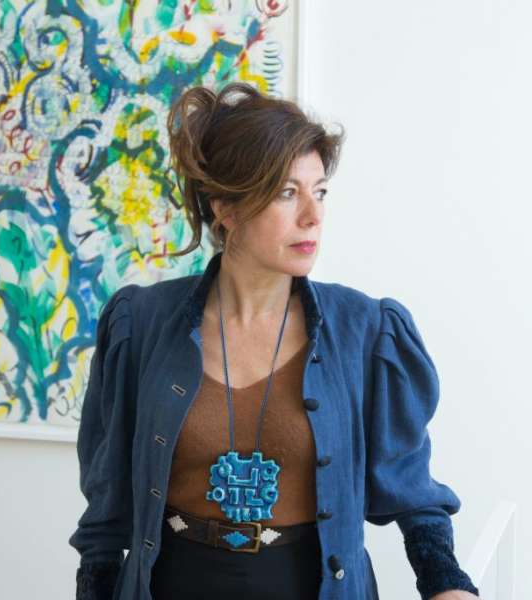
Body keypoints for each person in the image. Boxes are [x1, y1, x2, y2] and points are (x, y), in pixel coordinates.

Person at [69, 82, 480, 600]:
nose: (313, 215)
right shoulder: (142, 323)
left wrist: (446, 583)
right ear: (227, 207)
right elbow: (106, 507)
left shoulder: (365, 329)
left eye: (320, 191)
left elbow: (412, 490)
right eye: (288, 193)